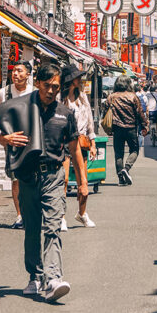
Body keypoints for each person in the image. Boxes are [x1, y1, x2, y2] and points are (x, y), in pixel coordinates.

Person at [0, 60, 85, 301]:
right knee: (32, 229)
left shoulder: (65, 113)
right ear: (37, 83)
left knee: (53, 226)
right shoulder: (21, 107)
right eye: (47, 85)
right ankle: (35, 276)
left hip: (54, 175)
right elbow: (1, 137)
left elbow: (75, 149)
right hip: (27, 177)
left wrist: (82, 182)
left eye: (55, 86)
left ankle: (54, 277)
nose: (51, 91)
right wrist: (7, 139)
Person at [0, 61, 33, 229]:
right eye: (14, 71)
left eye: (19, 71)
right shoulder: (4, 92)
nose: (15, 74)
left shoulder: (34, 93)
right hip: (12, 143)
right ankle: (20, 215)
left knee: (32, 179)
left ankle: (32, 212)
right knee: (16, 180)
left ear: (28, 75)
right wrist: (3, 132)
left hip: (31, 141)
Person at [62, 65, 97, 229]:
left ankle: (82, 214)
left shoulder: (82, 97)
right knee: (64, 180)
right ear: (70, 79)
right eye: (77, 77)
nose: (80, 80)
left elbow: (89, 120)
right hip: (63, 143)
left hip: (81, 142)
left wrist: (93, 143)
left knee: (84, 182)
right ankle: (60, 216)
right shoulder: (60, 99)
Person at [103, 74, 148, 184]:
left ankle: (121, 178)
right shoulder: (133, 96)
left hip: (117, 129)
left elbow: (105, 112)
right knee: (134, 149)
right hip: (131, 128)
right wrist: (144, 126)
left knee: (118, 153)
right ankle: (126, 168)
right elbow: (140, 113)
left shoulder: (111, 97)